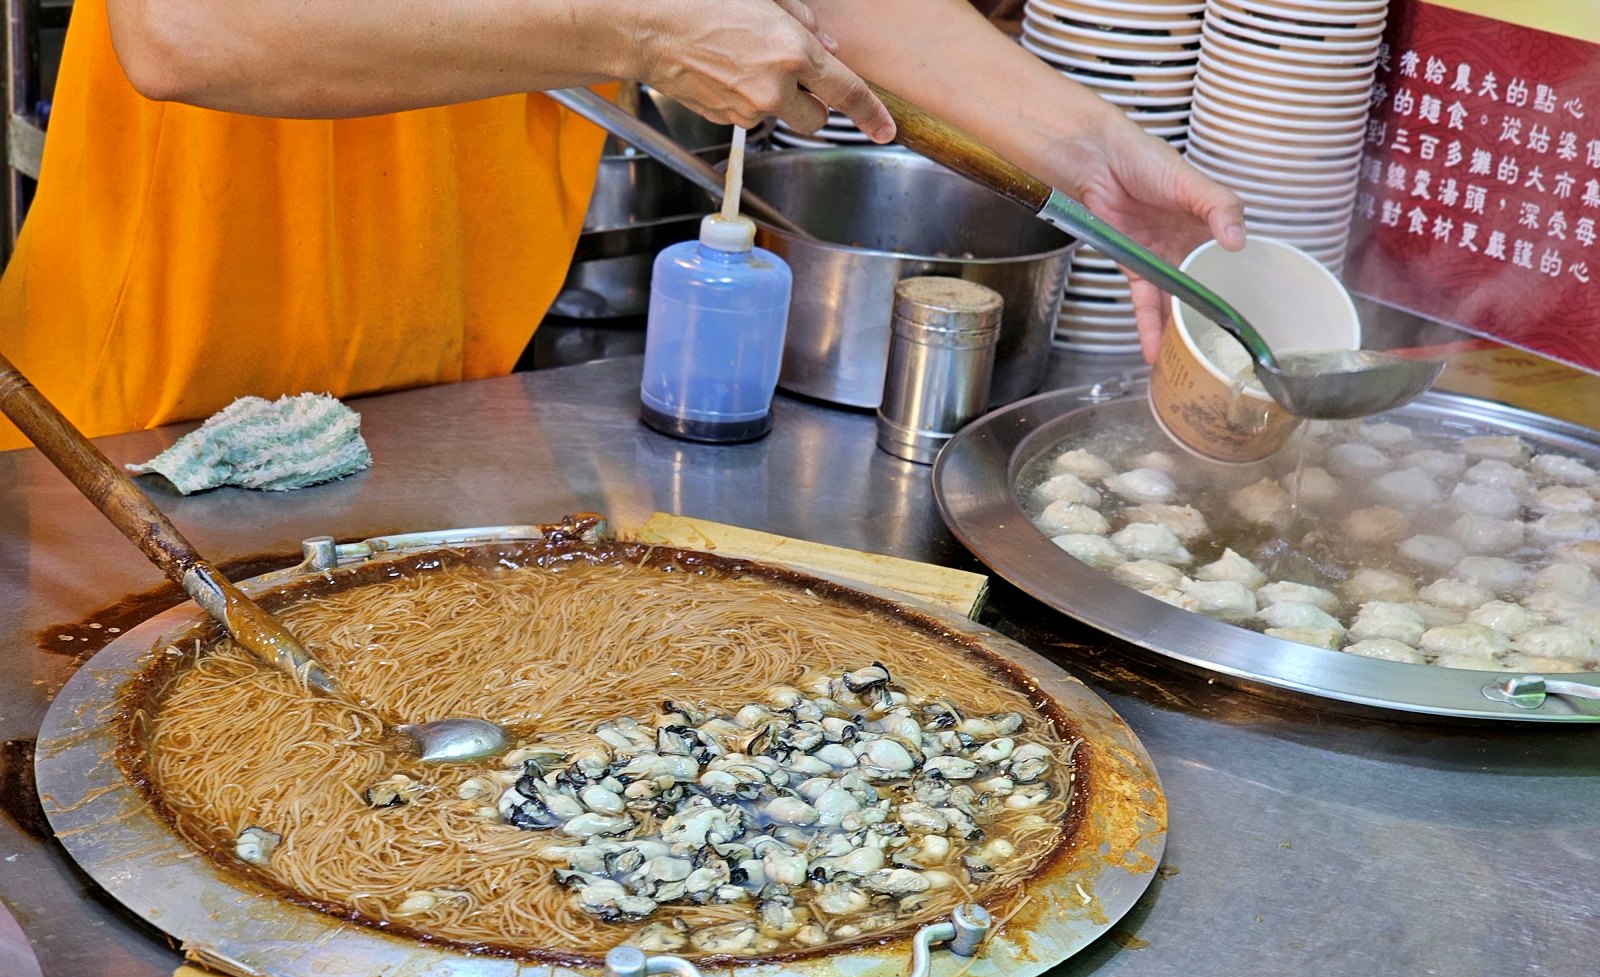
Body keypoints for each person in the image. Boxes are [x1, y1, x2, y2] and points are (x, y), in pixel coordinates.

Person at [0, 0, 1243, 451]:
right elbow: (188, 33)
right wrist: (634, 31)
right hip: (149, 411)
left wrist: (1082, 160)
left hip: (437, 399)